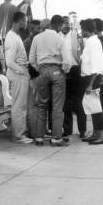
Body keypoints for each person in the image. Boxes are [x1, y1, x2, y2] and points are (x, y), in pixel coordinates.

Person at [28, 15, 71, 146]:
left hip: (42, 71)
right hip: (57, 71)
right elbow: (67, 61)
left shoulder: (37, 38)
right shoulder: (60, 39)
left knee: (41, 105)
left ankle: (39, 137)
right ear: (59, 26)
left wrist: (40, 68)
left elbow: (31, 58)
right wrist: (64, 71)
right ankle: (56, 138)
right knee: (58, 106)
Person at [4, 11, 33, 144]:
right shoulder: (12, 38)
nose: (26, 23)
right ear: (20, 21)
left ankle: (21, 133)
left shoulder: (15, 36)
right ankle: (19, 135)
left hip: (20, 74)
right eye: (25, 21)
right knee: (19, 106)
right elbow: (9, 62)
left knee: (22, 105)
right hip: (18, 75)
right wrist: (22, 71)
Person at [79, 19, 103, 145]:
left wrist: (90, 84)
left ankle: (100, 135)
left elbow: (96, 65)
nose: (81, 32)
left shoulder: (94, 43)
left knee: (96, 107)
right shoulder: (90, 41)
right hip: (90, 78)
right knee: (91, 106)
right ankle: (96, 133)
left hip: (93, 79)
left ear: (86, 30)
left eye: (82, 29)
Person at [62, 16, 87, 139]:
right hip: (64, 72)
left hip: (76, 70)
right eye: (64, 23)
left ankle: (82, 131)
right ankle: (67, 130)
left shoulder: (76, 37)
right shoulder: (57, 37)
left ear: (71, 25)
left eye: (68, 23)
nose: (66, 25)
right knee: (66, 103)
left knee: (79, 103)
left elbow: (82, 52)